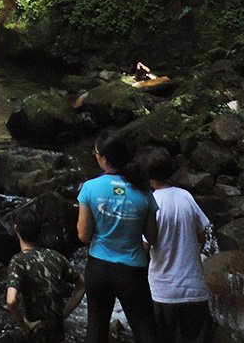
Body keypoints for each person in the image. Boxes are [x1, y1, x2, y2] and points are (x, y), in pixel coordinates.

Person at [77, 129, 159, 343]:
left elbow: (83, 235)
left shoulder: (90, 188)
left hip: (99, 268)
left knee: (95, 330)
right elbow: (152, 237)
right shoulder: (143, 189)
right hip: (132, 271)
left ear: (104, 159)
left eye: (95, 153)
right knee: (146, 332)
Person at [138, 146, 213, 343]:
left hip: (163, 292)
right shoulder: (186, 196)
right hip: (194, 290)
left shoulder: (150, 203)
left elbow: (145, 247)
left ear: (146, 176)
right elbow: (202, 237)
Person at [3, 203, 84, 341]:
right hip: (57, 332)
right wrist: (64, 313)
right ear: (41, 230)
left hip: (36, 333)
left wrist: (24, 325)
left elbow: (11, 301)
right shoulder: (54, 256)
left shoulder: (18, 261)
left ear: (16, 230)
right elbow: (82, 283)